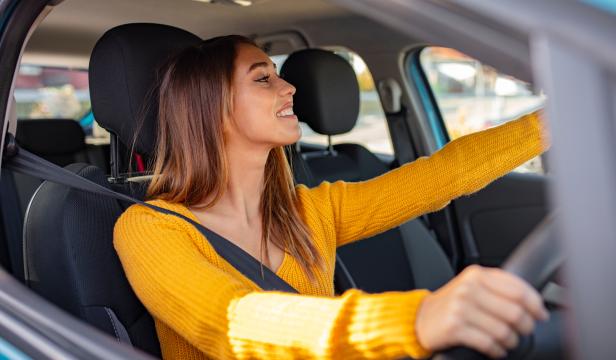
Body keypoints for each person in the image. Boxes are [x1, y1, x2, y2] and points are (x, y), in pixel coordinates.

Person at [114, 35, 550, 360]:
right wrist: (416, 318)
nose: (289, 88)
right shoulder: (151, 229)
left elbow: (441, 177)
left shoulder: (310, 212)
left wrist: (554, 124)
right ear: (211, 107)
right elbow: (229, 322)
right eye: (264, 78)